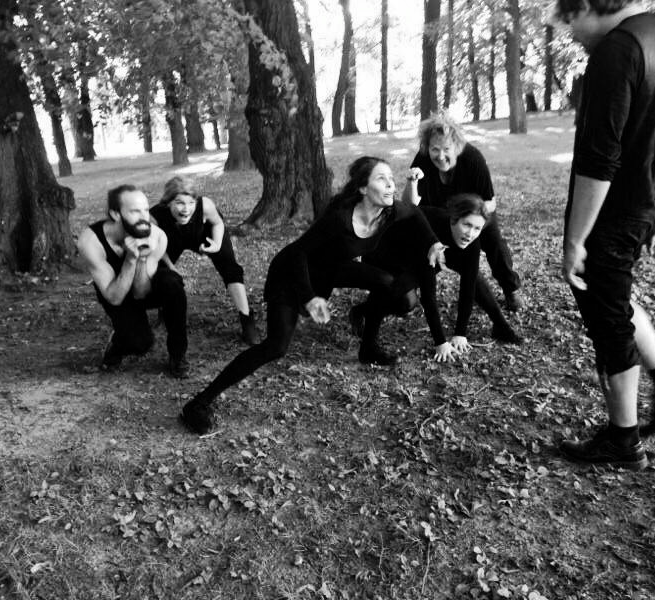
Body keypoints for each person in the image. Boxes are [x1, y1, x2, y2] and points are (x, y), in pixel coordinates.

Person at [179, 157, 445, 434]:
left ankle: (368, 348)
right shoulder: (340, 218)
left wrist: (434, 243)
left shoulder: (389, 212)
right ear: (363, 189)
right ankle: (198, 404)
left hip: (330, 270)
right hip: (292, 273)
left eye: (391, 178)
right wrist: (309, 297)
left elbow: (415, 213)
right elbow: (298, 253)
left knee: (389, 285)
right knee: (276, 346)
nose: (391, 184)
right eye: (381, 179)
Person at [556, 0, 655, 469]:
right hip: (652, 203)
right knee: (614, 296)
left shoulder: (617, 51)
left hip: (614, 210)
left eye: (569, 20)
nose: (570, 33)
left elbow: (600, 158)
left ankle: (623, 438)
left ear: (587, 5)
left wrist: (576, 238)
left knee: (606, 314)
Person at [351, 193, 521, 362]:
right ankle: (366, 335)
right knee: (404, 300)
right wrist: (440, 342)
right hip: (387, 248)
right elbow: (428, 294)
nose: (470, 233)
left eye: (477, 228)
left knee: (474, 277)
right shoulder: (431, 234)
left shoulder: (472, 240)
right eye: (467, 225)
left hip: (420, 251)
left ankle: (501, 326)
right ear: (454, 219)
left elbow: (468, 287)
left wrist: (460, 333)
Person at [403, 112, 525, 313]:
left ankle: (510, 288)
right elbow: (409, 207)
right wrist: (411, 182)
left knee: (494, 242)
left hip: (477, 213)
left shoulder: (473, 159)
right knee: (422, 239)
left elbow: (490, 202)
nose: (440, 156)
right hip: (441, 217)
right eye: (435, 149)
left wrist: (468, 221)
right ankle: (410, 288)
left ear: (457, 146)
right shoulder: (423, 159)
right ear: (427, 147)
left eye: (446, 149)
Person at [78, 184, 189, 377]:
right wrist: (130, 258)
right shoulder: (90, 242)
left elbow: (140, 292)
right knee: (140, 343)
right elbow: (114, 298)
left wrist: (142, 257)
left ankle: (178, 355)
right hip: (114, 288)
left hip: (144, 283)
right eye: (135, 212)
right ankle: (118, 343)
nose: (144, 217)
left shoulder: (157, 236)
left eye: (145, 210)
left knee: (173, 283)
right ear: (116, 214)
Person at [150, 176, 259, 345]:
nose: (186, 209)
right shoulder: (155, 216)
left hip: (203, 233)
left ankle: (247, 320)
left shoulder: (205, 205)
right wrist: (171, 267)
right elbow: (156, 247)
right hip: (171, 240)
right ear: (168, 202)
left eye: (191, 202)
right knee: (160, 270)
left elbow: (218, 223)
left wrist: (216, 245)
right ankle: (165, 308)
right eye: (179, 203)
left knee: (230, 267)